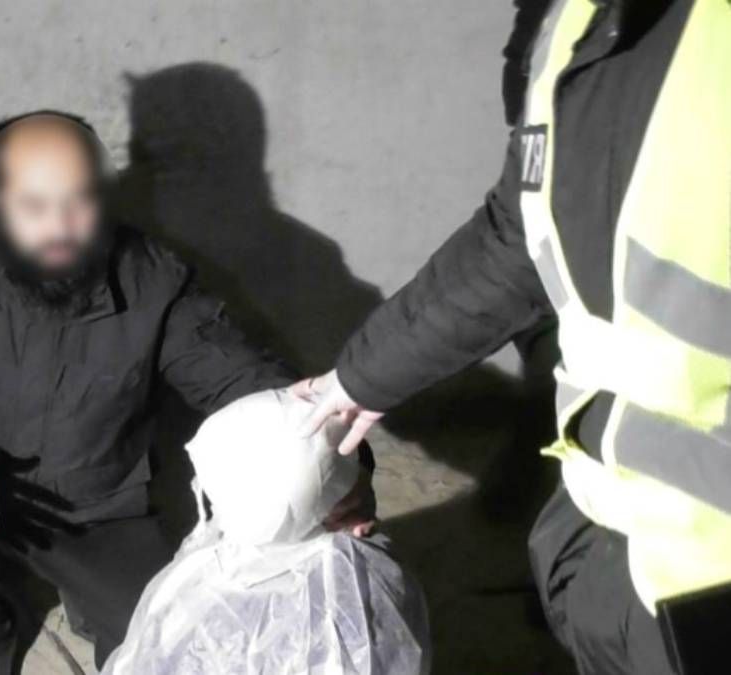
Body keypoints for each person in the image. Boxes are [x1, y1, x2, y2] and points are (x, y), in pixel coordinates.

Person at [0, 111, 377, 674]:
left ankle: (89, 605)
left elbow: (244, 379)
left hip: (100, 509)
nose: (61, 228)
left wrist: (337, 470)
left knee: (163, 641)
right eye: (34, 207)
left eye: (80, 202)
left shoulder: (153, 279)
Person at [296, 0, 731, 673]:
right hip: (611, 546)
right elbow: (518, 234)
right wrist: (358, 379)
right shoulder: (572, 24)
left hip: (709, 566)